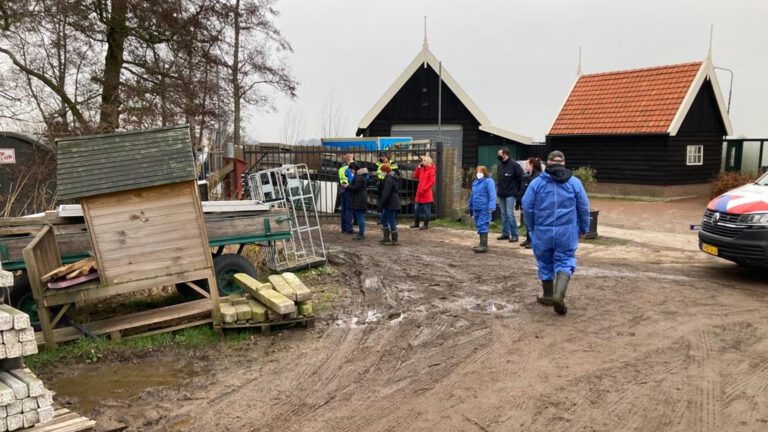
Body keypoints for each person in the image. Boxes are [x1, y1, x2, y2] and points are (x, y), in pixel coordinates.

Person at [521, 151, 590, 315]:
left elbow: (527, 206)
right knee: (565, 260)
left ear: (548, 163)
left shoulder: (537, 183)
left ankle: (547, 295)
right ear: (564, 163)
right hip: (567, 232)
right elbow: (583, 207)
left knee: (544, 262)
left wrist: (531, 228)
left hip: (542, 231)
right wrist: (584, 228)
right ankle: (559, 295)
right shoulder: (575, 183)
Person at [495, 148, 524, 242]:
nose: (498, 155)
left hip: (511, 193)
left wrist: (518, 193)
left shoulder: (514, 165)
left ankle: (515, 234)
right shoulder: (500, 166)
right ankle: (505, 233)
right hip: (501, 193)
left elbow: (521, 179)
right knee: (503, 214)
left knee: (510, 214)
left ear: (505, 154)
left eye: (499, 154)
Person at [467, 166, 496, 253]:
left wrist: (491, 206)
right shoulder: (475, 182)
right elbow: (472, 195)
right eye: (477, 171)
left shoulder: (489, 181)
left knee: (482, 224)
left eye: (479, 171)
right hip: (476, 207)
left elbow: (492, 194)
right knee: (479, 225)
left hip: (484, 207)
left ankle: (483, 245)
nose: (477, 173)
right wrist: (470, 207)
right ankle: (481, 244)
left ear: (484, 172)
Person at [519, 157, 543, 249]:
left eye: (527, 164)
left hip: (535, 203)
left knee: (533, 222)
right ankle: (528, 239)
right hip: (528, 201)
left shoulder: (537, 176)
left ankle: (533, 241)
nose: (525, 166)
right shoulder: (529, 175)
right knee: (527, 221)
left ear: (532, 164)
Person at [377, 163, 401, 245]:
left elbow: (386, 193)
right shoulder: (392, 177)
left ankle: (394, 239)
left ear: (385, 171)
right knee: (384, 219)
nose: (381, 173)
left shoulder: (389, 179)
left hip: (391, 202)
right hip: (392, 201)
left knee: (391, 220)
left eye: (382, 171)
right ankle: (386, 237)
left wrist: (380, 205)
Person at [411, 155, 436, 230]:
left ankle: (426, 225)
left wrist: (424, 189)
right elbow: (415, 176)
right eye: (423, 160)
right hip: (419, 193)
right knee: (416, 209)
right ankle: (416, 223)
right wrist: (418, 167)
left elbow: (432, 182)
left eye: (424, 160)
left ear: (428, 162)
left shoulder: (431, 170)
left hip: (426, 193)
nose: (422, 162)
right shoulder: (421, 169)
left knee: (427, 210)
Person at [347, 162, 369, 240]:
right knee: (360, 216)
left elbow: (356, 187)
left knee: (360, 216)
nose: (350, 171)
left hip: (359, 198)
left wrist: (348, 186)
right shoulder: (362, 175)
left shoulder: (358, 177)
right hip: (361, 197)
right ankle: (361, 233)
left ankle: (361, 234)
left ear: (354, 169)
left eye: (351, 170)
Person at [338, 154, 355, 234]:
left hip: (342, 189)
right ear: (350, 160)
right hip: (348, 190)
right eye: (352, 159)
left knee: (343, 210)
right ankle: (349, 228)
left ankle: (343, 228)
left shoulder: (341, 168)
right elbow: (352, 180)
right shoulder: (348, 169)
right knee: (349, 210)